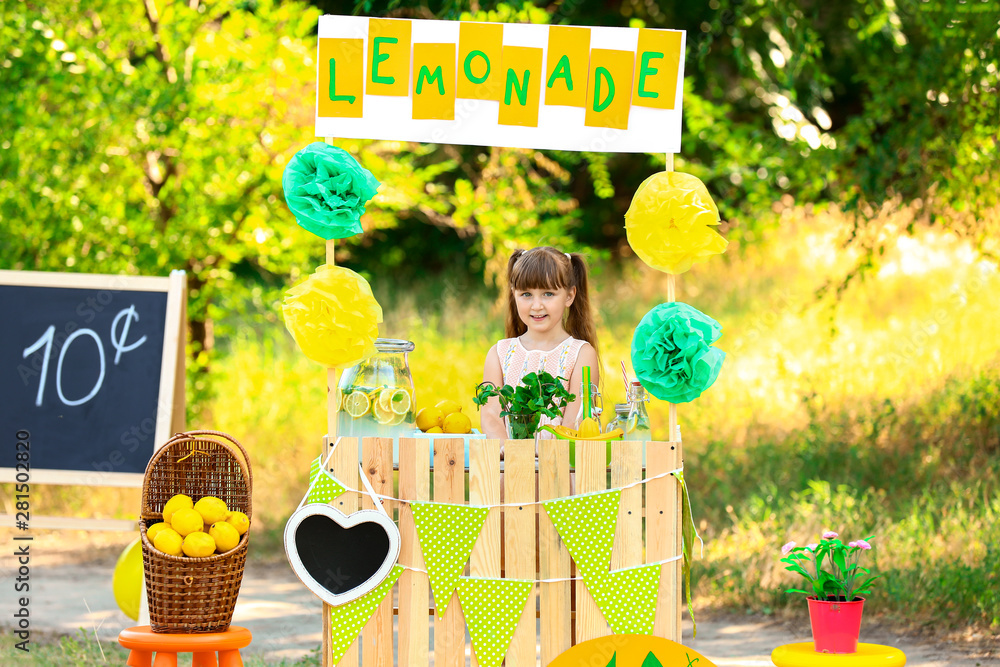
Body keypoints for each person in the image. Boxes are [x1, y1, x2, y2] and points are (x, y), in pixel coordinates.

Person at [481, 246, 601, 440]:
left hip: (561, 465)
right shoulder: (499, 353)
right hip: (509, 465)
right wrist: (509, 452)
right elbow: (491, 415)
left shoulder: (581, 354)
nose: (537, 306)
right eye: (526, 294)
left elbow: (575, 421)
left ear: (569, 296)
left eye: (548, 294)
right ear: (514, 294)